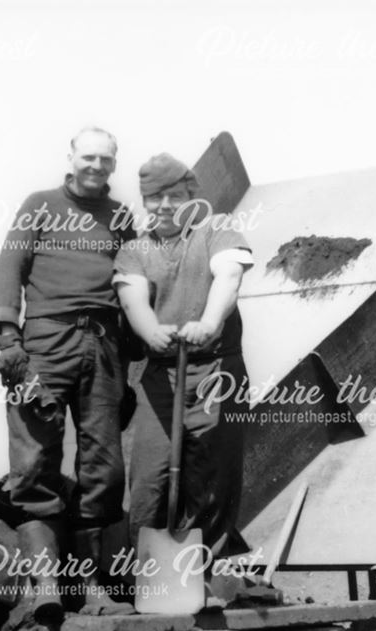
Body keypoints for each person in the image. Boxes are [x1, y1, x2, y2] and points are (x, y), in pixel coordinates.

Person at [0, 127, 137, 623]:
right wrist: (10, 339)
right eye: (88, 157)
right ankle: (45, 585)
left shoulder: (120, 217)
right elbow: (9, 267)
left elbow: (133, 283)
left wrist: (132, 364)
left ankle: (94, 586)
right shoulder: (40, 204)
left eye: (106, 159)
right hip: (47, 343)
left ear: (114, 165)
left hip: (105, 346)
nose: (96, 166)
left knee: (105, 468)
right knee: (33, 462)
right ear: (71, 158)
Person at [113, 153, 254, 585]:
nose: (165, 205)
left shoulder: (216, 230)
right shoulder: (135, 250)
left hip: (216, 371)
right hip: (161, 376)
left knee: (211, 476)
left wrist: (210, 324)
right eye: (155, 197)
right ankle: (151, 578)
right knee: (149, 478)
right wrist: (150, 330)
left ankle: (204, 577)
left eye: (174, 195)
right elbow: (132, 297)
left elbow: (228, 275)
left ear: (191, 195)